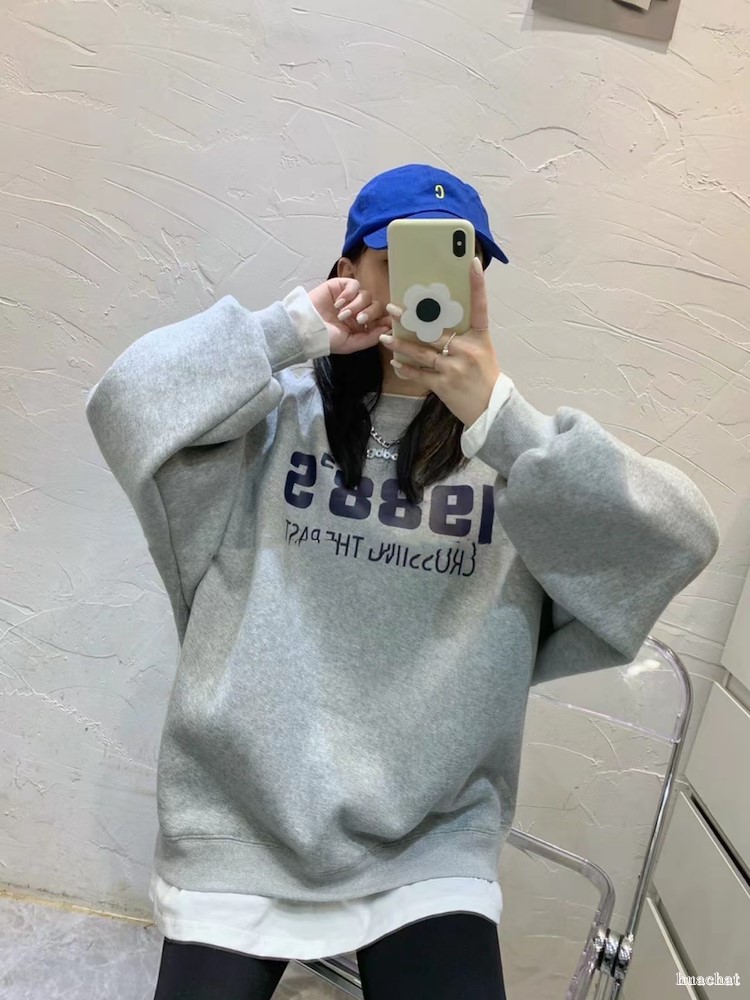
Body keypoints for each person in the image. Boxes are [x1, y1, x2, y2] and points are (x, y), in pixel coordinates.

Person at [85, 163, 720, 1000]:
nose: (430, 288)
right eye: (397, 260)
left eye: (460, 266)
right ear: (347, 270)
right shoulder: (269, 420)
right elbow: (123, 403)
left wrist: (502, 418)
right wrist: (288, 331)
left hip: (429, 847)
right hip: (238, 832)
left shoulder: (515, 462)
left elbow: (681, 537)